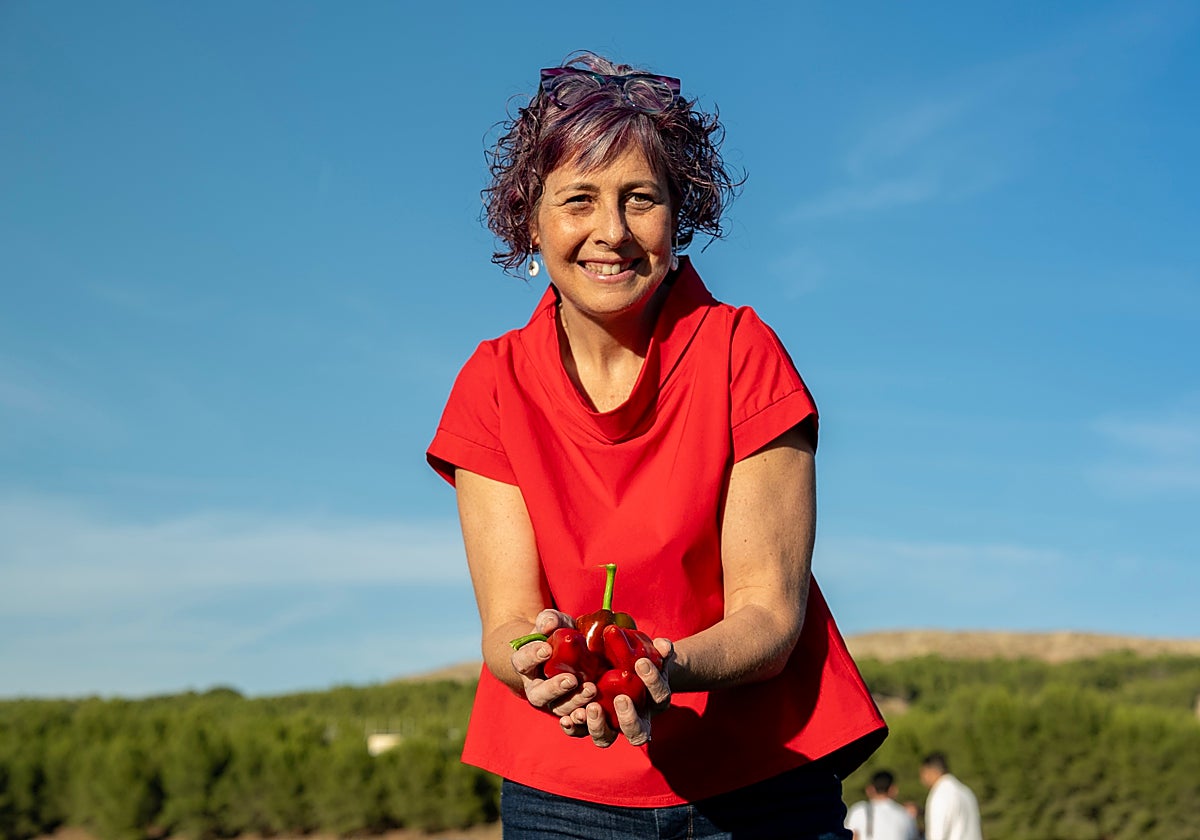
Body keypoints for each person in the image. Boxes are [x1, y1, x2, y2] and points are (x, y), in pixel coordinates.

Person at [426, 49, 887, 839]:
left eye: (641, 198)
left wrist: (663, 670)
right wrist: (540, 668)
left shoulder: (744, 351)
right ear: (529, 218)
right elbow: (507, 623)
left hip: (760, 781)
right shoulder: (490, 381)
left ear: (681, 217)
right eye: (578, 199)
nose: (611, 231)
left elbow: (770, 616)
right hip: (562, 798)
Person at [919, 753, 982, 840]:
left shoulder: (939, 795)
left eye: (923, 773)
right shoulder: (966, 791)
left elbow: (936, 836)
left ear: (932, 771)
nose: (922, 779)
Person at [844, 769, 920, 840]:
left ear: (870, 789)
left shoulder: (859, 810)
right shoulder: (905, 814)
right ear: (893, 790)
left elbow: (853, 836)